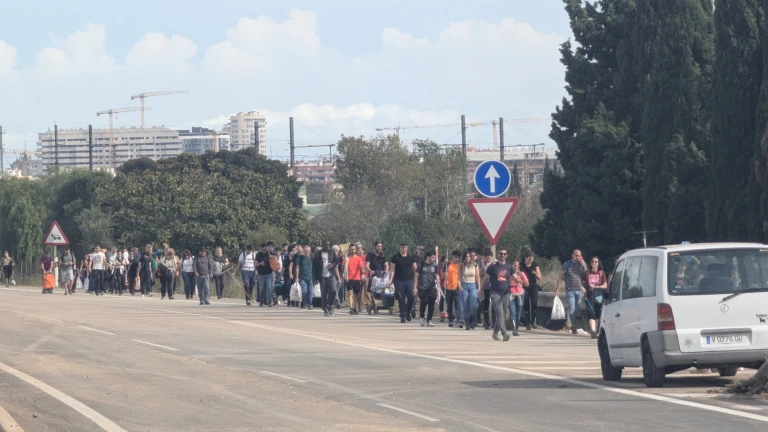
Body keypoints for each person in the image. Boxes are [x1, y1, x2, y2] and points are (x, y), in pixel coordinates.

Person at [482, 248, 513, 341]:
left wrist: (520, 280)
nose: (502, 255)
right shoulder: (493, 266)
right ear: (498, 255)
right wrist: (480, 289)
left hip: (506, 292)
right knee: (499, 312)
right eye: (501, 254)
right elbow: (485, 278)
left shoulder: (509, 267)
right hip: (495, 292)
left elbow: (514, 276)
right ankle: (504, 333)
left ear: (506, 255)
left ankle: (495, 332)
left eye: (504, 254)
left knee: (502, 314)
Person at [555, 249, 588, 335]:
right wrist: (557, 289)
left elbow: (586, 273)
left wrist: (583, 262)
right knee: (572, 309)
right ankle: (574, 326)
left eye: (579, 256)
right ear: (572, 255)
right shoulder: (567, 264)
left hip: (579, 290)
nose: (577, 257)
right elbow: (560, 277)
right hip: (570, 290)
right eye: (576, 255)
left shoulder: (581, 264)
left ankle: (577, 325)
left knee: (578, 309)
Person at [389, 244, 417, 324]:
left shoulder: (411, 257)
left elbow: (415, 269)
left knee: (411, 297)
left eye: (405, 247)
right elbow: (392, 270)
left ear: (407, 248)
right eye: (402, 247)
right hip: (398, 281)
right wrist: (390, 280)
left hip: (409, 281)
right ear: (400, 248)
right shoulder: (395, 257)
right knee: (401, 299)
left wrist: (416, 281)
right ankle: (403, 316)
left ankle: (408, 313)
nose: (403, 249)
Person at [583, 256, 608, 339]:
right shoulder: (587, 273)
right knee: (591, 312)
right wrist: (582, 288)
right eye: (592, 262)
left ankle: (595, 331)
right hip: (589, 294)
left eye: (595, 262)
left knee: (597, 313)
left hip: (598, 294)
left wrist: (598, 287)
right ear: (590, 263)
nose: (594, 263)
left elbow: (605, 285)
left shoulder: (601, 273)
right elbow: (580, 282)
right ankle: (593, 331)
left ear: (598, 263)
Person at [313, 241, 340, 316]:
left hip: (331, 275)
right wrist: (315, 278)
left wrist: (333, 265)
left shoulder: (332, 253)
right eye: (326, 245)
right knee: (324, 294)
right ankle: (325, 308)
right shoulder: (318, 254)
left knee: (334, 291)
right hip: (322, 276)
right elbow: (314, 267)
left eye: (328, 246)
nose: (327, 247)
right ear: (323, 246)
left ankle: (330, 305)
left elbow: (337, 260)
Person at [414, 251, 439, 327]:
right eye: (432, 257)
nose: (434, 259)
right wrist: (415, 287)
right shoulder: (421, 264)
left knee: (431, 304)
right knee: (424, 302)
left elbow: (437, 276)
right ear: (428, 257)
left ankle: (429, 320)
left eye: (435, 257)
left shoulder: (435, 265)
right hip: (423, 287)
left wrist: (438, 283)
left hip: (432, 287)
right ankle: (422, 317)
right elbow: (416, 276)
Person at [520, 250, 542, 330]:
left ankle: (533, 322)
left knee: (534, 304)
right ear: (526, 258)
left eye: (531, 259)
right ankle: (527, 323)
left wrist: (535, 273)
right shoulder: (521, 265)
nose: (530, 261)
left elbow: (540, 277)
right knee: (526, 304)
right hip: (524, 286)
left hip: (533, 286)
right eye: (529, 259)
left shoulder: (535, 265)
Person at [460, 250, 481, 330]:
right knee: (465, 305)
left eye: (469, 256)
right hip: (464, 285)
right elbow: (459, 276)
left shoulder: (475, 265)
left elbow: (477, 277)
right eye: (466, 256)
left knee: (473, 305)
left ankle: (473, 318)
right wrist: (459, 285)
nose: (468, 258)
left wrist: (479, 287)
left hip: (472, 285)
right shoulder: (462, 265)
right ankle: (467, 322)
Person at [508, 260, 529, 337]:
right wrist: (512, 277)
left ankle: (516, 328)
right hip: (512, 293)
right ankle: (514, 329)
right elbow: (507, 282)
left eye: (517, 265)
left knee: (518, 312)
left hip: (520, 293)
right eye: (514, 265)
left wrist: (522, 277)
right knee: (513, 312)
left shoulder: (522, 273)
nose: (516, 267)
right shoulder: (510, 273)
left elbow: (527, 284)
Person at [477, 248, 495, 330]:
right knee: (486, 304)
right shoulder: (481, 263)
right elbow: (478, 273)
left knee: (494, 304)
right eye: (487, 258)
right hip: (485, 286)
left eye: (489, 258)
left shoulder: (495, 263)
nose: (488, 259)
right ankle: (486, 321)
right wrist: (486, 271)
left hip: (493, 286)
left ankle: (494, 322)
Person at [346, 243, 365, 315]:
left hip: (357, 278)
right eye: (351, 249)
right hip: (349, 278)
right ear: (349, 249)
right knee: (350, 293)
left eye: (354, 249)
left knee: (356, 294)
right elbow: (343, 267)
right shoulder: (347, 258)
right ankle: (351, 308)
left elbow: (361, 267)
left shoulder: (358, 258)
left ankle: (354, 307)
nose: (353, 250)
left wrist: (362, 274)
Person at [444, 251, 462, 327]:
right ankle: (450, 319)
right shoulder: (448, 265)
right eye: (455, 257)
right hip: (448, 288)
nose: (457, 259)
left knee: (458, 305)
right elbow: (442, 275)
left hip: (457, 288)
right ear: (452, 257)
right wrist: (444, 275)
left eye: (458, 257)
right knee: (449, 305)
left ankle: (458, 319)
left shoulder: (460, 266)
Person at [294, 245, 314, 309]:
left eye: (308, 251)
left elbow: (315, 268)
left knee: (310, 291)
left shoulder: (312, 258)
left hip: (310, 277)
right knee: (304, 291)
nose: (306, 252)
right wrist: (297, 277)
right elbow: (297, 268)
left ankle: (310, 304)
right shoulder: (300, 258)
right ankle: (304, 303)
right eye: (305, 251)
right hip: (302, 277)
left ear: (310, 251)